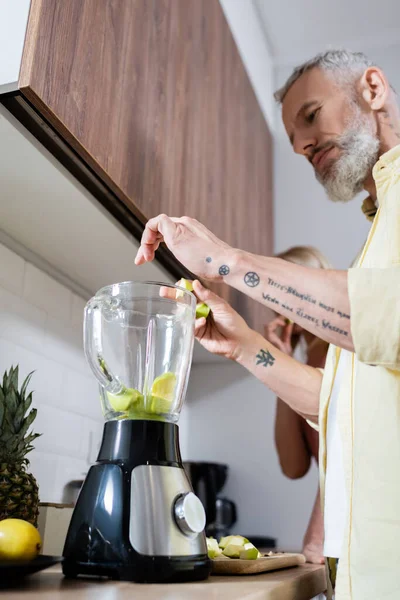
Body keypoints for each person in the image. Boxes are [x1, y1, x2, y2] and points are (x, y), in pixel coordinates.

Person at [135, 50, 400, 600]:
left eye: (311, 115)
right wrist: (245, 346)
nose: (304, 145)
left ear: (373, 88)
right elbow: (339, 410)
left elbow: (389, 315)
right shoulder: (377, 233)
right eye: (296, 142)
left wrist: (229, 262)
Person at [265, 246, 331, 564]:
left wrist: (317, 540)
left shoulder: (339, 353)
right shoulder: (310, 359)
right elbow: (294, 466)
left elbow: (349, 454)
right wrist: (283, 365)